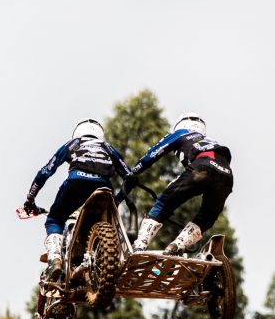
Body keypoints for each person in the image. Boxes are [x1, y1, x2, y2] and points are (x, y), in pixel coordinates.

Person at [23, 118, 131, 280]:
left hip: (76, 181)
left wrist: (30, 199)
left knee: (54, 219)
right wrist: (117, 200)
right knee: (112, 222)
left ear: (78, 132)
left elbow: (45, 171)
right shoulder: (108, 147)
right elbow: (130, 177)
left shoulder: (72, 144)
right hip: (104, 187)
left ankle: (55, 260)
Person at [130, 113, 233, 255]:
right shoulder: (212, 142)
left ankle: (139, 246)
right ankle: (176, 246)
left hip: (202, 168)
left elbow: (153, 153)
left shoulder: (181, 133)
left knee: (164, 202)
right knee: (207, 216)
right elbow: (220, 166)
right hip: (227, 176)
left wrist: (133, 172)